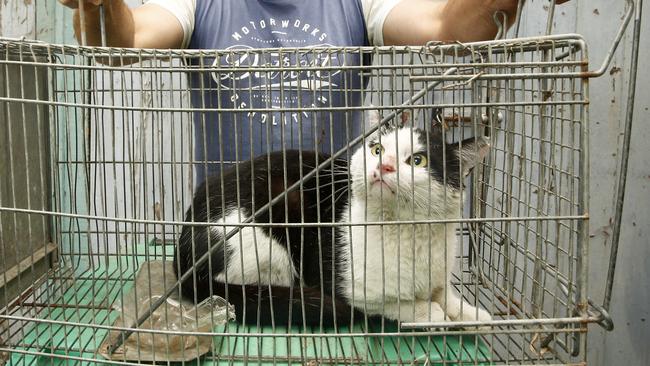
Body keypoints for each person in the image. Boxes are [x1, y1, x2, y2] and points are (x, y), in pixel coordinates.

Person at [58, 0, 570, 184]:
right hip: (231, 230)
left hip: (337, 233)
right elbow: (118, 45)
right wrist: (96, 2)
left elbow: (451, 27)